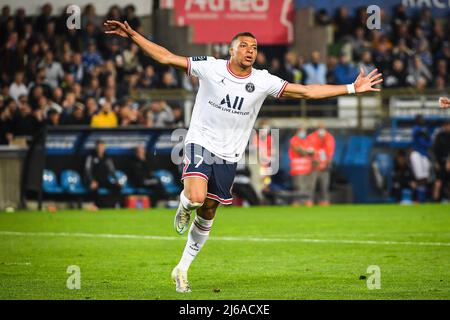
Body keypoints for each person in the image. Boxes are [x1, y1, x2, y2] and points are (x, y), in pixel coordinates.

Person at [104, 20, 383, 293]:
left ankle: (182, 269)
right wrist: (133, 36)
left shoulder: (263, 80)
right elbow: (166, 57)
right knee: (196, 198)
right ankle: (184, 205)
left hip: (229, 154)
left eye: (255, 47)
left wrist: (351, 88)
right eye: (245, 45)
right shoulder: (211, 68)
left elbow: (308, 91)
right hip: (200, 142)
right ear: (232, 50)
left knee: (209, 211)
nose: (251, 50)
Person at [84, 139, 122, 209]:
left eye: (102, 147)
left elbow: (112, 170)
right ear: (96, 147)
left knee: (118, 187)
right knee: (93, 188)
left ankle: (114, 204)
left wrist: (117, 180)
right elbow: (87, 170)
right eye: (99, 147)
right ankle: (95, 205)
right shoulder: (91, 157)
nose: (100, 149)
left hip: (104, 180)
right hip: (94, 181)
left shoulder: (107, 158)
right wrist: (91, 181)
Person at [308, 124, 336, 206]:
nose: (321, 130)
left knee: (324, 185)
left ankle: (324, 201)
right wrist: (313, 161)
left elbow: (330, 152)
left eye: (322, 128)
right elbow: (309, 151)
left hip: (325, 166)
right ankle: (309, 200)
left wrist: (328, 163)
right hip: (314, 166)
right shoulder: (311, 137)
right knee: (311, 185)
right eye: (320, 128)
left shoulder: (329, 137)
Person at [288, 126, 315, 206]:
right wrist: (307, 152)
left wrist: (308, 152)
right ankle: (298, 201)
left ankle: (307, 200)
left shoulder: (307, 140)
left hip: (307, 167)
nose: (303, 133)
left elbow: (312, 151)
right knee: (298, 185)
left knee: (308, 185)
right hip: (297, 167)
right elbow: (300, 151)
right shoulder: (294, 140)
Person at [409, 115, 432, 202]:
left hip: (424, 155)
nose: (422, 120)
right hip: (416, 154)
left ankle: (422, 198)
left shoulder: (425, 131)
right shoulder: (416, 128)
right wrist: (424, 131)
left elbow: (429, 143)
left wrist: (426, 133)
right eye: (420, 119)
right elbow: (416, 132)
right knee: (419, 177)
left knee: (425, 177)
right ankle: (417, 198)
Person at [432, 121, 450, 201]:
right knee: (438, 182)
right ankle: (436, 200)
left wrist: (449, 161)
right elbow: (435, 150)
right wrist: (435, 162)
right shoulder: (439, 136)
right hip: (440, 162)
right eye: (447, 125)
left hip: (448, 162)